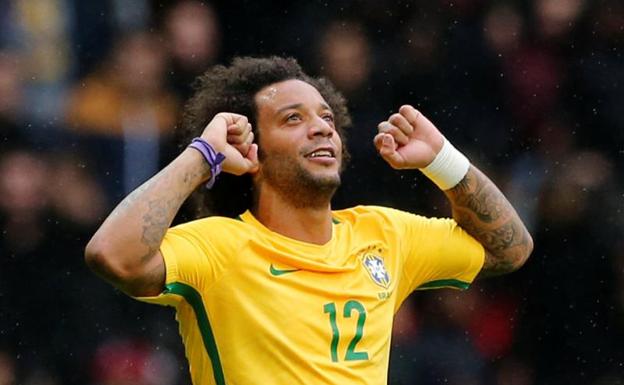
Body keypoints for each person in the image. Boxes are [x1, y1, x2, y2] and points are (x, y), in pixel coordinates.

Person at [85, 56, 533, 385]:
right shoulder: (218, 246)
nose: (321, 128)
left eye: (326, 118)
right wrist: (203, 157)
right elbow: (112, 255)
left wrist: (444, 162)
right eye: (292, 119)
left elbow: (509, 249)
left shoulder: (386, 235)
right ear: (251, 151)